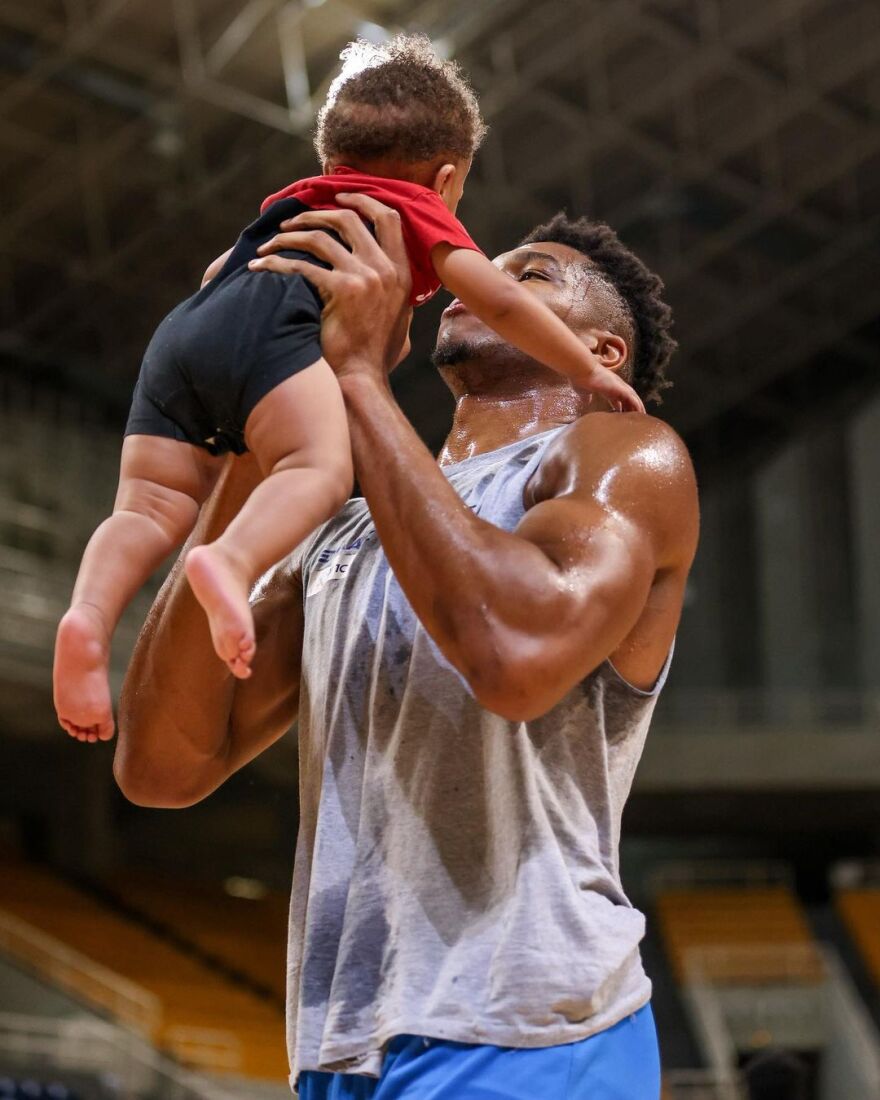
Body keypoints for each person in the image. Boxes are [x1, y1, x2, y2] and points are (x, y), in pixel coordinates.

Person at [114, 197, 699, 1100]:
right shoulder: (347, 533)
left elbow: (514, 658)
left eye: (528, 274)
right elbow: (161, 763)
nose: (479, 274)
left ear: (602, 351)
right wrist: (250, 418)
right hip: (343, 1048)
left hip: (531, 1030)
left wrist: (352, 374)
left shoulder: (624, 454)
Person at [52, 35, 644, 745]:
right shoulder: (417, 209)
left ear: (330, 163)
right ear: (448, 179)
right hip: (272, 335)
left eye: (535, 273)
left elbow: (222, 272)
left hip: (189, 327)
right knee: (318, 471)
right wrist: (586, 372)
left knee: (148, 506)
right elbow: (502, 307)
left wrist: (284, 361)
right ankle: (233, 561)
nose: (496, 281)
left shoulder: (300, 200)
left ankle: (87, 613)